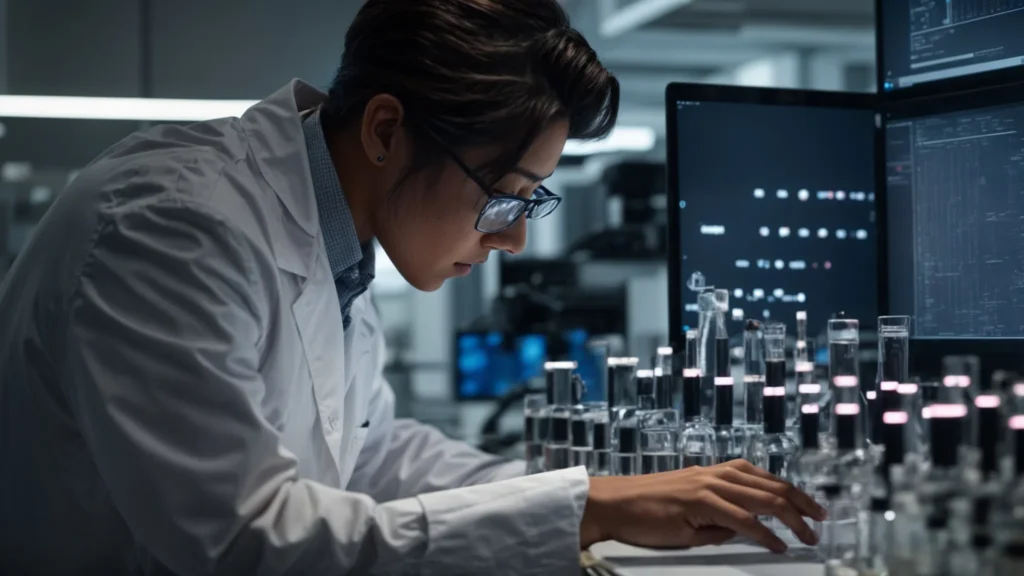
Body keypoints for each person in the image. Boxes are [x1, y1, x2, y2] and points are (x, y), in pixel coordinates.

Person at [0, 0, 825, 574]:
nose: (514, 236)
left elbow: (376, 458)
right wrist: (585, 507)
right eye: (502, 192)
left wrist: (602, 494)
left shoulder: (338, 245)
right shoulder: (175, 228)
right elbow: (239, 540)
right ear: (387, 128)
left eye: (531, 199)